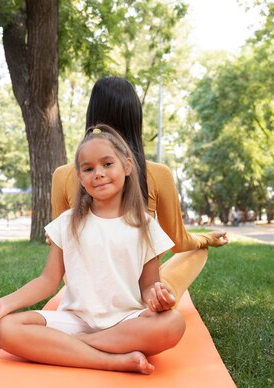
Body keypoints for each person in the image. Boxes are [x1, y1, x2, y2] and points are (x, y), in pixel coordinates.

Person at [0, 125, 185, 374]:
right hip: (75, 320)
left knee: (173, 323)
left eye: (107, 164)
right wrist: (3, 305)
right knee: (5, 329)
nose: (98, 173)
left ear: (127, 166)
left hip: (126, 322)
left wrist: (158, 299)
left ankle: (78, 346)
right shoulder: (68, 222)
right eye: (88, 169)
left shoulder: (145, 225)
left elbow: (148, 286)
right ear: (80, 177)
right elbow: (48, 281)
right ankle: (113, 361)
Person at [52, 76, 228, 303]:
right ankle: (158, 298)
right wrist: (207, 239)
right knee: (197, 251)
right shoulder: (156, 174)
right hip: (142, 296)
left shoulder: (63, 175)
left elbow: (61, 249)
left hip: (85, 295)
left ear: (92, 116)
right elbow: (179, 243)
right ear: (136, 119)